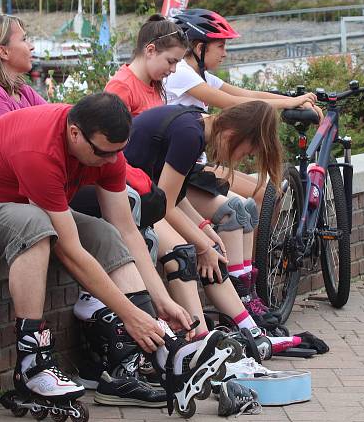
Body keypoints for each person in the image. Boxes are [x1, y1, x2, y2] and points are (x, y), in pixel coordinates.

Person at [0, 93, 239, 415]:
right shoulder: (39, 150)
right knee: (35, 226)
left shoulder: (108, 153)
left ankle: (161, 353)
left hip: (13, 209)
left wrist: (158, 304)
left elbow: (127, 230)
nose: (110, 160)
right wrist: (131, 317)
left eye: (118, 152)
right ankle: (32, 364)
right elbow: (71, 251)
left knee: (105, 234)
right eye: (102, 152)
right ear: (75, 133)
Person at [165, 9, 321, 318]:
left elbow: (247, 92)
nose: (225, 52)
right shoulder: (182, 72)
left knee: (269, 193)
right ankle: (245, 286)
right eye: (220, 45)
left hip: (198, 164)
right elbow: (237, 105)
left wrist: (292, 97)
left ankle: (249, 273)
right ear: (199, 47)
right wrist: (290, 102)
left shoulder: (202, 74)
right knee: (256, 201)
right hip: (188, 168)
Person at [124, 101, 294, 357]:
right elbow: (166, 205)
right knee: (184, 255)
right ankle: (201, 343)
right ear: (231, 135)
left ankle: (248, 328)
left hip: (145, 196)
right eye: (245, 153)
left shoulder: (198, 126)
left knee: (210, 248)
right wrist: (202, 245)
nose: (239, 160)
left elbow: (174, 194)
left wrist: (204, 229)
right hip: (126, 200)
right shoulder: (188, 134)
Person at [104, 14, 187, 117]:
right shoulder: (121, 87)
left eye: (177, 63)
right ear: (150, 50)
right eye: (170, 62)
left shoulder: (154, 82)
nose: (174, 69)